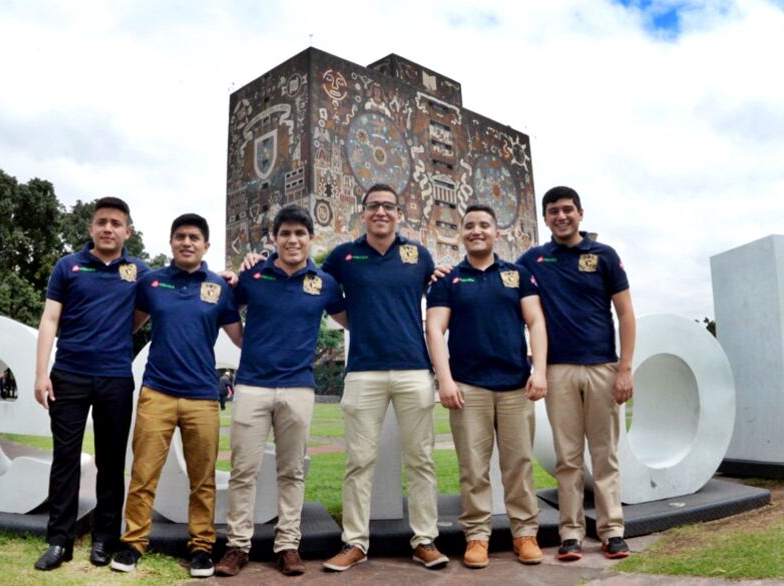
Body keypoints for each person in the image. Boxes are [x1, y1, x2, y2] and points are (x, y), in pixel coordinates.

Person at [215, 205, 347, 577]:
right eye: (285, 233)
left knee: (292, 472)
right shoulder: (254, 274)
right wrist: (248, 343)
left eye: (299, 234)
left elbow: (348, 317)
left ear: (310, 239)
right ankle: (238, 546)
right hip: (253, 385)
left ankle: (287, 545)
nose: (292, 240)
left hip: (299, 388)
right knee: (243, 470)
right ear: (274, 239)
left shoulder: (323, 283)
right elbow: (227, 310)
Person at [319, 183, 446, 571]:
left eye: (389, 207)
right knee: (359, 462)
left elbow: (435, 288)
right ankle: (355, 543)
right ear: (363, 212)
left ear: (398, 214)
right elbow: (321, 292)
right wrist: (357, 323)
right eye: (374, 206)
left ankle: (425, 540)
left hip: (413, 368)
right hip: (363, 370)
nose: (381, 212)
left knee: (421, 460)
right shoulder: (343, 256)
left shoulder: (417, 255)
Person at [109, 213, 243, 578]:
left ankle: (201, 548)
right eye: (180, 236)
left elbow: (240, 337)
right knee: (143, 472)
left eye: (194, 237)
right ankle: (134, 543)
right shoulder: (152, 283)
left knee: (203, 478)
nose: (187, 242)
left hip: (202, 396)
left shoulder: (219, 287)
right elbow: (128, 326)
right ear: (171, 242)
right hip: (158, 392)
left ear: (206, 245)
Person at [515, 186, 635, 562]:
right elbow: (498, 278)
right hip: (558, 371)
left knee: (604, 456)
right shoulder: (533, 260)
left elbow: (626, 314)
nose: (561, 216)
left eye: (568, 210)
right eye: (553, 211)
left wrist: (624, 369)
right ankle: (570, 534)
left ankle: (612, 530)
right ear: (545, 217)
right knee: (567, 458)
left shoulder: (604, 256)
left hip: (602, 367)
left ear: (581, 213)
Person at [425, 204, 549, 569]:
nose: (476, 231)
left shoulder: (518, 275)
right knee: (473, 468)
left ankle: (524, 534)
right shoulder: (448, 280)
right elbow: (434, 329)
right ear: (461, 233)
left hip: (515, 386)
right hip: (468, 388)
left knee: (519, 465)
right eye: (469, 226)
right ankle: (477, 537)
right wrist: (444, 380)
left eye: (484, 225)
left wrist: (538, 370)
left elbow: (536, 322)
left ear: (497, 233)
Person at [33, 196, 151, 571]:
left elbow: (148, 308)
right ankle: (59, 541)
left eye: (116, 223)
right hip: (68, 374)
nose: (108, 228)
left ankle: (104, 539)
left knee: (111, 462)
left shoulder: (139, 271)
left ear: (127, 231)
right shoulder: (68, 267)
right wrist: (40, 373)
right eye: (102, 222)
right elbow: (50, 319)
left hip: (115, 377)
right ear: (91, 228)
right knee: (65, 459)